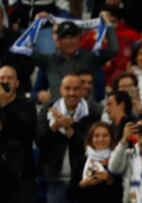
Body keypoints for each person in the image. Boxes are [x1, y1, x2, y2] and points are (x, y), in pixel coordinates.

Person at [36, 74, 101, 203]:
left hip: (83, 179)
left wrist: (69, 128)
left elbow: (88, 147)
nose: (72, 93)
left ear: (81, 90)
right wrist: (55, 126)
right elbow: (40, 142)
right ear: (61, 89)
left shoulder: (92, 113)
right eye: (67, 88)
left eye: (76, 89)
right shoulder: (48, 110)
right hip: (55, 180)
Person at [0, 65, 37, 203]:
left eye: (9, 78)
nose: (5, 81)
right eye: (1, 78)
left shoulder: (27, 104)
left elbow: (24, 129)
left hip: (22, 172)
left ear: (17, 83)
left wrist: (4, 105)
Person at [67, 121, 122, 203]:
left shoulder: (118, 160)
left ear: (111, 138)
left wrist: (109, 179)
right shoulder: (82, 161)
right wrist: (83, 184)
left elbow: (123, 191)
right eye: (96, 136)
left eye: (105, 135)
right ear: (90, 139)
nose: (101, 139)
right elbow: (70, 193)